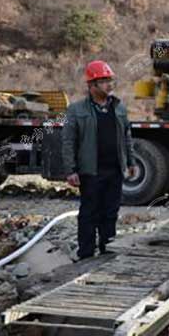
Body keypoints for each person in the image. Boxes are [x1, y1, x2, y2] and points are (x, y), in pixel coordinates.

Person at [62, 61, 136, 260]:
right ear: (91, 85)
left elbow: (127, 136)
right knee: (89, 213)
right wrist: (70, 170)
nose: (109, 85)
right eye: (103, 81)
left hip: (114, 169)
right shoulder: (76, 110)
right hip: (90, 171)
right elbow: (68, 141)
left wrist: (131, 162)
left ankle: (107, 249)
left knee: (111, 211)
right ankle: (85, 253)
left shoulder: (119, 108)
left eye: (110, 80)